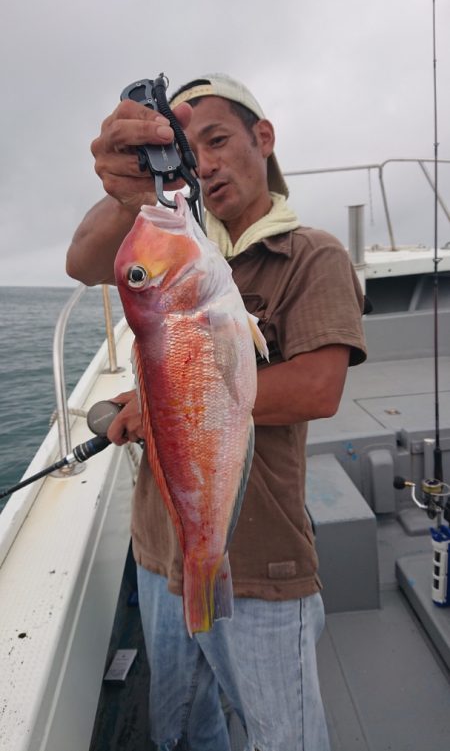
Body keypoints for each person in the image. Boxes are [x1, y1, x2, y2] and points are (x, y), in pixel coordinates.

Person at [66, 73, 367, 751]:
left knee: (283, 736)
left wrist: (162, 402)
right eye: (188, 148)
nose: (202, 163)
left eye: (218, 140)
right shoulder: (176, 244)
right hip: (159, 547)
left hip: (262, 563)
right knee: (182, 723)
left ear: (263, 138)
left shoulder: (310, 254)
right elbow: (83, 262)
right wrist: (126, 193)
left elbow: (318, 388)